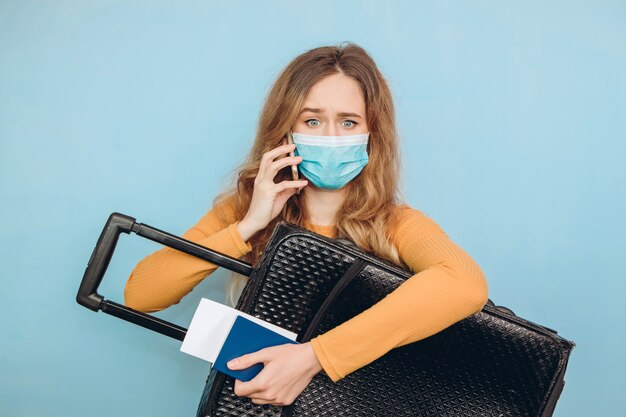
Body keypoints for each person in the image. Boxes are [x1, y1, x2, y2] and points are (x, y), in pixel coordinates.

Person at [124, 42, 489, 407]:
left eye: (349, 122)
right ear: (286, 131)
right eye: (312, 121)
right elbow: (141, 296)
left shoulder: (396, 224)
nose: (331, 137)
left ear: (372, 133)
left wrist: (312, 357)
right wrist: (249, 224)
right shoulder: (239, 211)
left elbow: (465, 283)